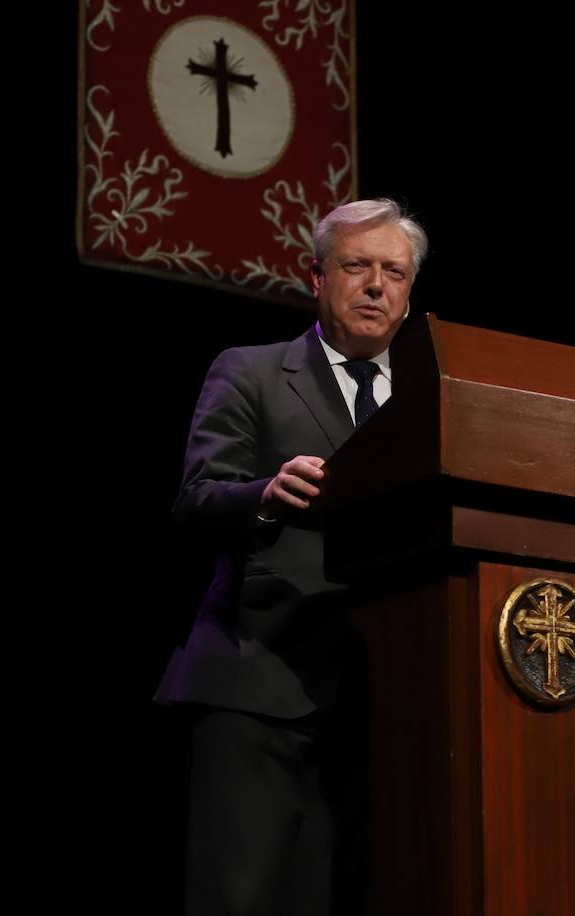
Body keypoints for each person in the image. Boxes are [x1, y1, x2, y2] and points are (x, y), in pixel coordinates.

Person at [155, 198, 428, 915]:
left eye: (393, 272)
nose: (376, 285)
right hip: (260, 687)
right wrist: (265, 495)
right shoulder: (249, 371)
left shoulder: (434, 404)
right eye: (356, 267)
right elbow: (197, 497)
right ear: (316, 278)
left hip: (387, 707)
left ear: (409, 293)